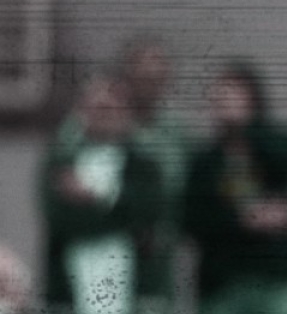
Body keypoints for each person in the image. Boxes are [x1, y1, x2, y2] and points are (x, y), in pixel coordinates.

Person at [49, 35, 191, 313]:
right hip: (76, 272)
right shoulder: (73, 139)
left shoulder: (173, 135)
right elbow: (59, 205)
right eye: (142, 74)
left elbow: (156, 205)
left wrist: (99, 198)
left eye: (156, 75)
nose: (149, 81)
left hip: (148, 266)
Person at [181, 60, 287, 314]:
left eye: (235, 94)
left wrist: (247, 126)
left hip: (273, 273)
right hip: (224, 279)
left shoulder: (275, 143)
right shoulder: (205, 161)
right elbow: (191, 220)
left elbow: (284, 159)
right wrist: (241, 220)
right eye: (222, 95)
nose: (227, 102)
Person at [40, 74, 165, 314]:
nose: (105, 116)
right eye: (98, 108)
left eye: (112, 108)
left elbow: (146, 214)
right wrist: (113, 211)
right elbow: (59, 218)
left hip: (133, 285)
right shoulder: (60, 161)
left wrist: (94, 197)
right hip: (68, 287)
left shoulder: (145, 165)